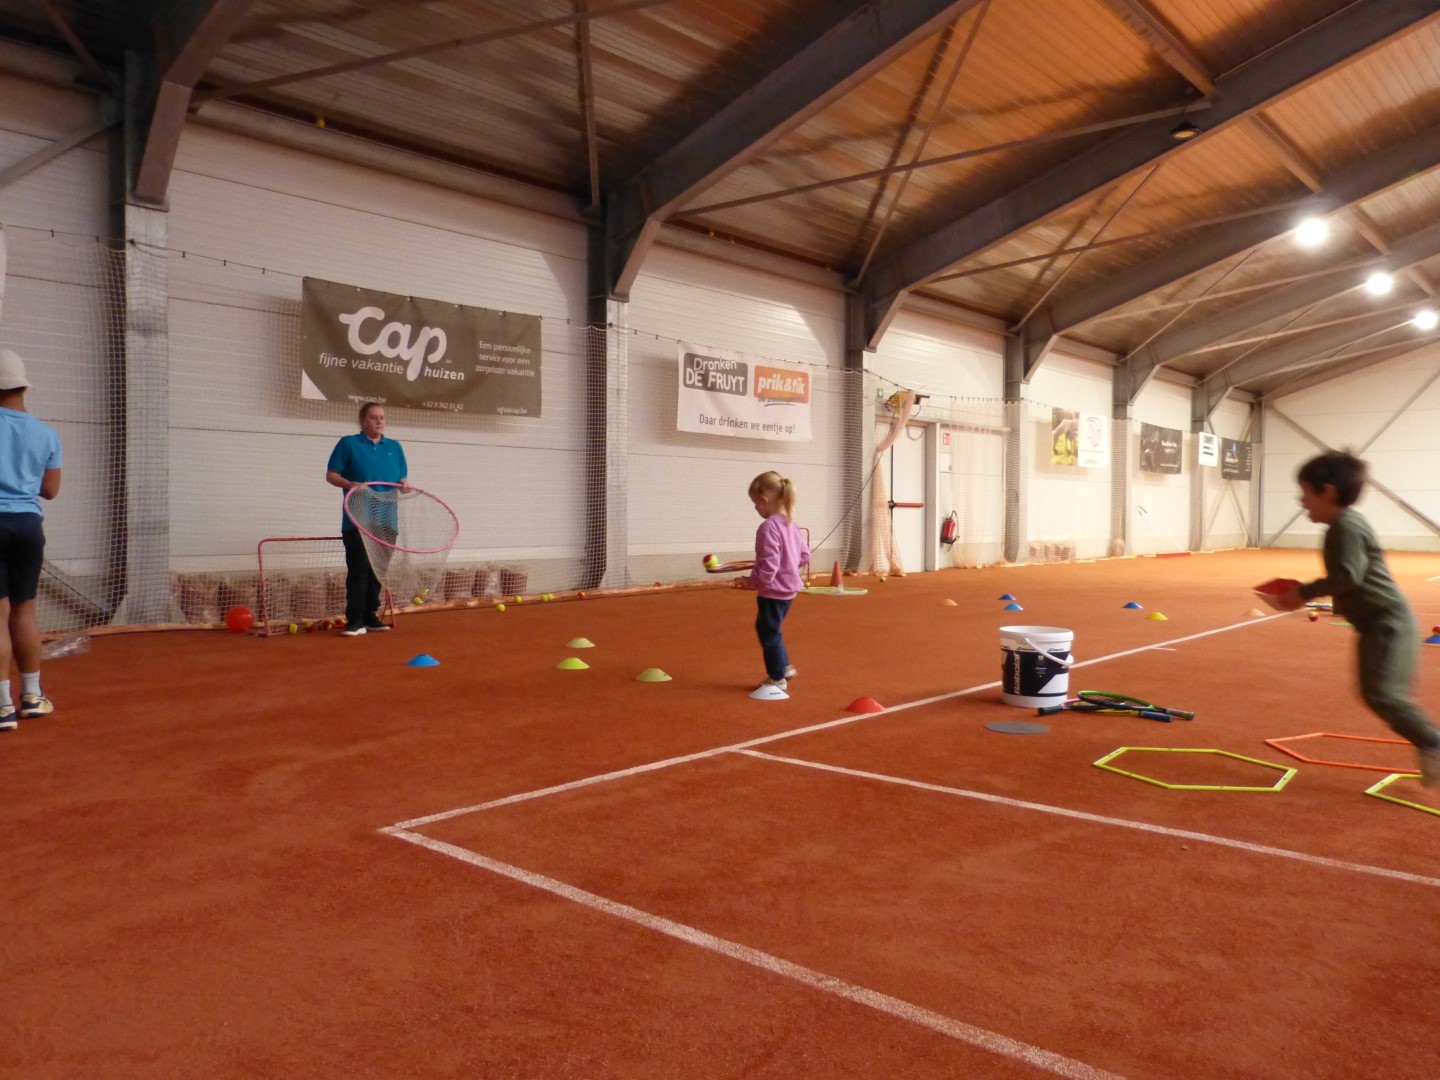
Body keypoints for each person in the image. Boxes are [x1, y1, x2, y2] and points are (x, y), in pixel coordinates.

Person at [1273, 451, 1440, 786]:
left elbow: (1349, 575)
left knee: (1384, 694)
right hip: (1379, 624)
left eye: (1305, 492)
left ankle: (1432, 743)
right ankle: (1430, 743)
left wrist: (1303, 593)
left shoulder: (1344, 527)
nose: (1301, 501)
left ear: (1328, 492)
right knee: (1376, 693)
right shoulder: (1347, 523)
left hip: (1387, 622)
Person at [0, 349, 62, 730]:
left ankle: (2, 706)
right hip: (27, 526)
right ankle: (32, 696)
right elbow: (50, 490)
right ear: (24, 387)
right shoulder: (46, 434)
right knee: (24, 610)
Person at [326, 402, 407, 637]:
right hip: (358, 520)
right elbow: (331, 475)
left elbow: (401, 478)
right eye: (373, 417)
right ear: (362, 421)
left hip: (387, 521)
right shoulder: (348, 444)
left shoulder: (395, 447)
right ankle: (354, 620)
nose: (379, 421)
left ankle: (371, 615)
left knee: (378, 571)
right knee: (359, 569)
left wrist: (403, 483)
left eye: (382, 417)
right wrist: (350, 484)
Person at [737, 471, 810, 697]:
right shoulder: (791, 524)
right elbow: (804, 555)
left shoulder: (768, 527)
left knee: (767, 631)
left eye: (755, 504)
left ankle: (777, 677)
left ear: (764, 499)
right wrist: (789, 567)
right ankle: (784, 666)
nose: (756, 509)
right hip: (789, 590)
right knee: (772, 629)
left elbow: (769, 566)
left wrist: (751, 581)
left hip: (773, 592)